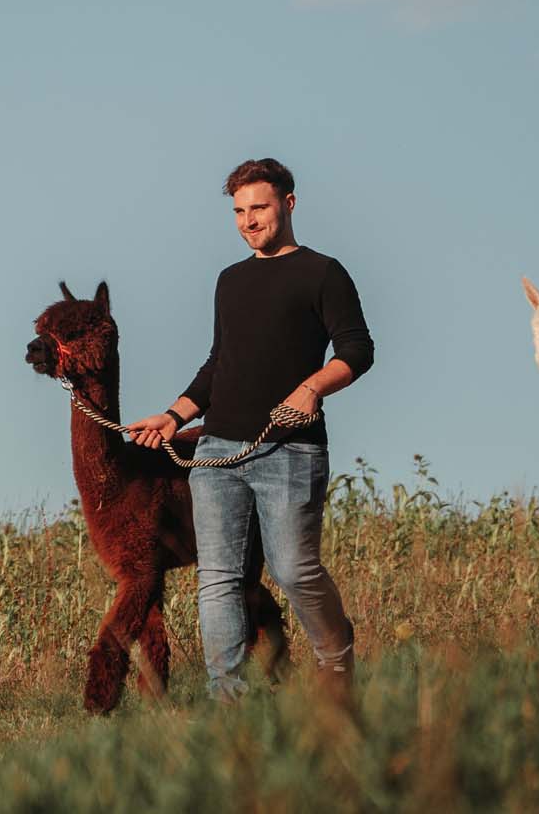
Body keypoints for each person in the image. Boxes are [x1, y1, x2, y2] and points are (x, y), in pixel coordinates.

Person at [125, 158, 374, 697]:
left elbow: (357, 349)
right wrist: (173, 417)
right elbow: (220, 364)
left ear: (288, 203)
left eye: (257, 208)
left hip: (290, 450)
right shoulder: (230, 281)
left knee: (293, 570)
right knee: (218, 579)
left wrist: (312, 388)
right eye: (238, 211)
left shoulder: (322, 273)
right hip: (217, 452)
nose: (247, 221)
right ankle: (229, 700)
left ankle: (335, 657)